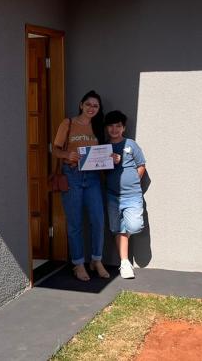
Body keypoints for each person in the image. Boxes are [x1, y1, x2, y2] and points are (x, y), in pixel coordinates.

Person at [52, 90, 110, 281]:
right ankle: (78, 263)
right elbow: (55, 149)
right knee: (75, 222)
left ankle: (96, 260)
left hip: (93, 178)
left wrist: (109, 158)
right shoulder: (68, 123)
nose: (91, 108)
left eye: (95, 106)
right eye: (88, 104)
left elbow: (103, 152)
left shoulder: (98, 126)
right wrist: (67, 155)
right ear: (81, 105)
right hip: (72, 175)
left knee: (98, 220)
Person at [104, 110, 147, 279]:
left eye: (118, 126)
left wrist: (134, 179)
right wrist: (110, 162)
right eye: (111, 126)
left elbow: (141, 164)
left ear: (123, 128)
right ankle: (124, 263)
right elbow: (99, 170)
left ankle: (124, 260)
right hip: (112, 195)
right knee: (117, 228)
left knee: (135, 226)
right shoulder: (104, 147)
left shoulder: (131, 144)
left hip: (133, 195)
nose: (114, 129)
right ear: (107, 128)